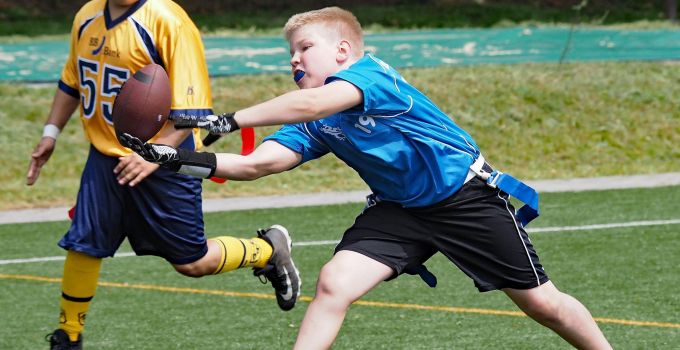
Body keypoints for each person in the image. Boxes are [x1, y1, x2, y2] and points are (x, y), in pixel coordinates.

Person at [121, 6, 612, 350]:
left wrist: (224, 120)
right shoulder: (316, 118)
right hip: (399, 209)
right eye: (290, 53)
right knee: (334, 281)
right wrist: (173, 156)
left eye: (304, 48)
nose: (294, 59)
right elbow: (257, 164)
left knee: (543, 305)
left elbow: (313, 101)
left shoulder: (372, 76)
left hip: (463, 198)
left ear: (342, 51)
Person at [26, 1, 300, 349]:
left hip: (166, 160)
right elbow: (72, 82)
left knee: (192, 262)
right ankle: (68, 336)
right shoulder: (87, 15)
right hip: (105, 155)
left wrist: (153, 157)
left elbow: (194, 111)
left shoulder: (169, 21)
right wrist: (51, 132)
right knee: (84, 243)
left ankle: (267, 250)